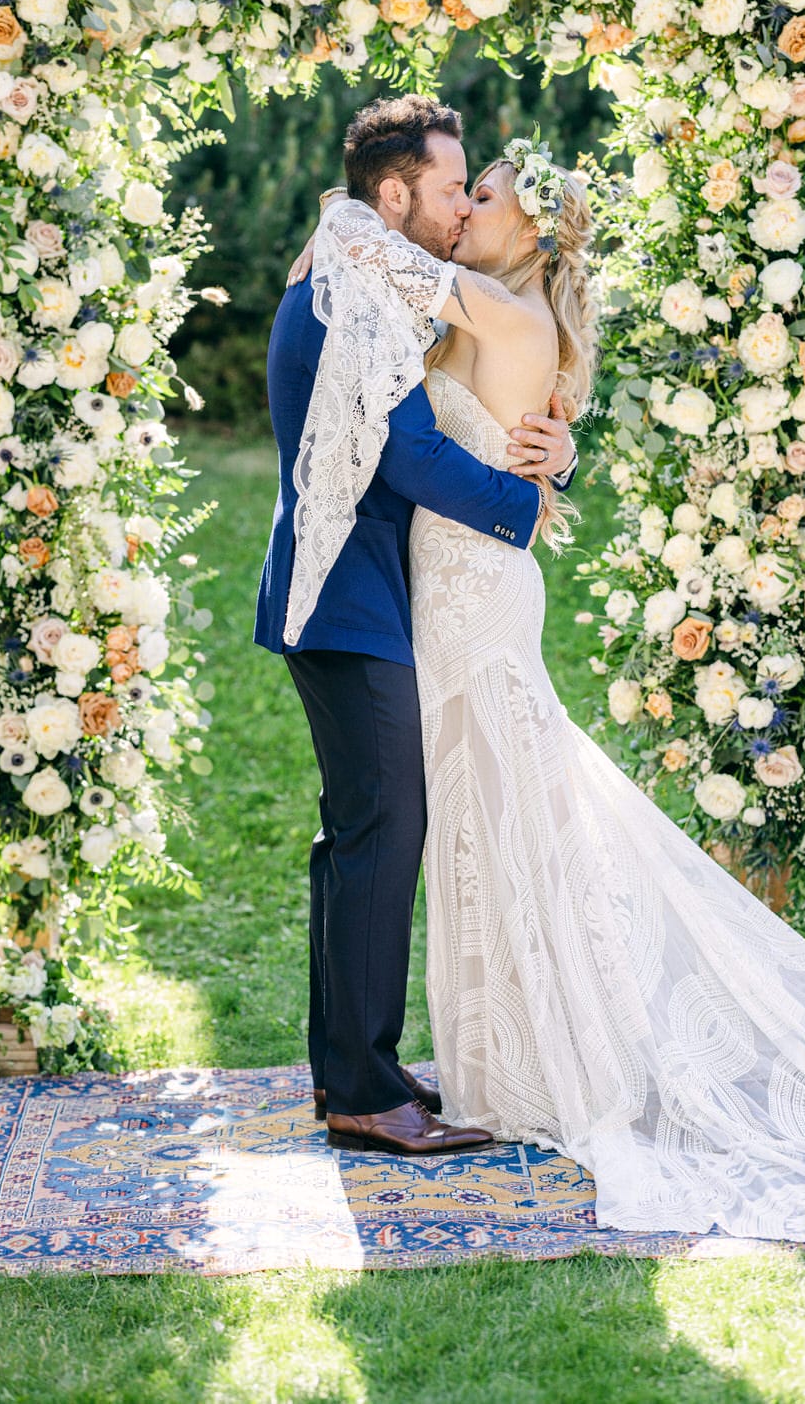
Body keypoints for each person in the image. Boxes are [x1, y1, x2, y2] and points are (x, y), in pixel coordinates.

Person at [314, 133, 805, 1242]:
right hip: (456, 583)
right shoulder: (501, 316)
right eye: (462, 192)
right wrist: (556, 457)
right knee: (484, 816)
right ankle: (504, 1054)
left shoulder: (500, 313)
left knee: (498, 814)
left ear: (534, 228)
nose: (463, 209)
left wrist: (344, 212)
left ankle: (545, 1054)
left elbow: (380, 264)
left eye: (486, 196)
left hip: (471, 590)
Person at [253, 96, 577, 1157]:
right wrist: (521, 505)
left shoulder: (358, 263)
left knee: (364, 835)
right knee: (378, 836)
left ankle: (358, 1069)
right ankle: (357, 1088)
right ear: (391, 195)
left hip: (367, 600)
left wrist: (551, 458)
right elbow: (401, 452)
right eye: (447, 190)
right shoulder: (347, 284)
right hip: (348, 606)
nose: (454, 210)